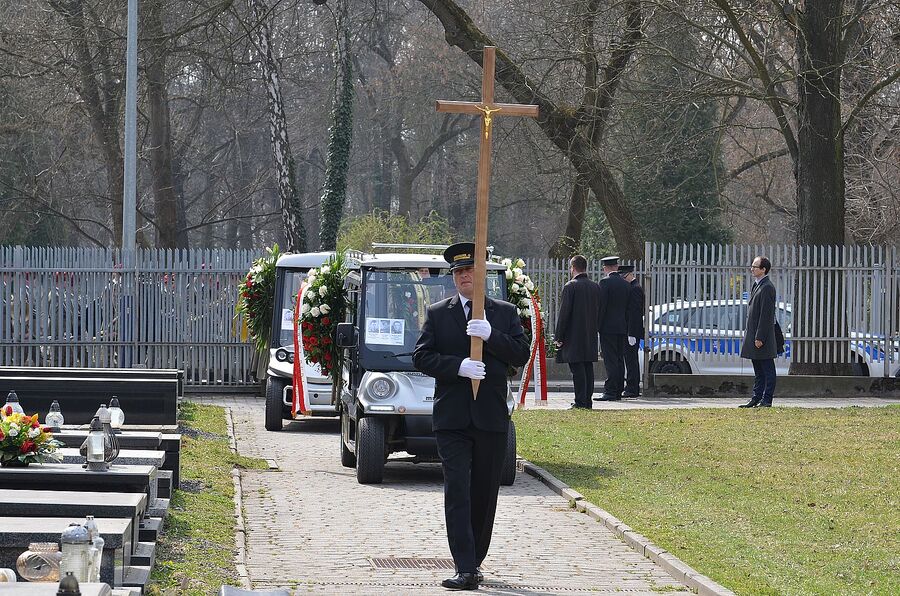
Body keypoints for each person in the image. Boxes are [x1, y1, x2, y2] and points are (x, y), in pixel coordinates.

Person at [413, 242, 530, 590]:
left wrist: (492, 336)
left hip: (491, 418)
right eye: (460, 272)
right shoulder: (438, 313)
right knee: (458, 490)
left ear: (482, 276)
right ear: (453, 279)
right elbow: (421, 357)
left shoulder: (504, 313)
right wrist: (457, 366)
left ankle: (476, 559)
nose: (465, 276)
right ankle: (464, 566)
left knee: (484, 493)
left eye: (471, 271)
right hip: (452, 419)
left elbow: (521, 354)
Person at [554, 255, 601, 409]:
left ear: (573, 268)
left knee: (577, 369)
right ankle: (587, 400)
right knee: (588, 368)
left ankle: (580, 401)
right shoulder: (595, 286)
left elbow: (564, 313)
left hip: (574, 334)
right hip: (590, 333)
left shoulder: (570, 286)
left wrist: (559, 336)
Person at [739, 256, 777, 408]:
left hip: (762, 337)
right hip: (754, 334)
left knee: (767, 369)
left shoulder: (767, 287)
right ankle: (756, 397)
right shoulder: (757, 285)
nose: (752, 269)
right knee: (758, 370)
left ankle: (766, 399)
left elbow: (766, 315)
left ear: (763, 269)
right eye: (752, 266)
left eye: (755, 267)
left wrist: (759, 337)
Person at [594, 256, 632, 402]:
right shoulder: (625, 284)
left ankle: (610, 391)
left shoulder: (605, 282)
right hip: (622, 327)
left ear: (605, 268)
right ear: (616, 266)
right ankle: (618, 390)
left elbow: (601, 306)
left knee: (610, 360)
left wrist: (598, 325)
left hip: (608, 328)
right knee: (619, 359)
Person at [618, 265, 644, 397]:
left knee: (631, 360)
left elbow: (635, 313)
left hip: (631, 331)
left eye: (623, 277)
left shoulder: (635, 289)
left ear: (629, 275)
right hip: (629, 330)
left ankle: (632, 388)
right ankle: (632, 387)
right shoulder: (633, 287)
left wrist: (631, 333)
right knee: (630, 359)